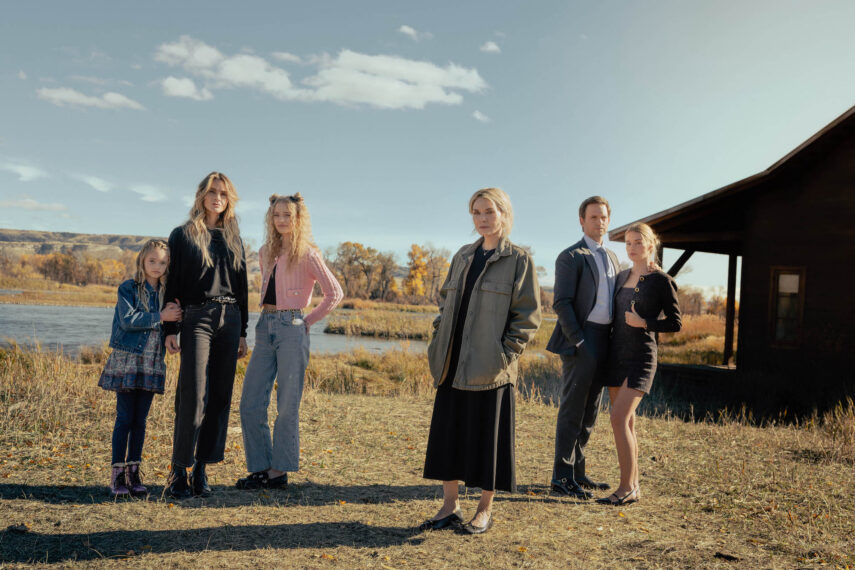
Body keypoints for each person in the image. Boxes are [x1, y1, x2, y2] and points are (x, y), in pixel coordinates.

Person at [422, 187, 541, 535]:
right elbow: (445, 303)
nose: (482, 219)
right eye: (476, 212)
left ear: (504, 214)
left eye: (489, 211)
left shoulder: (519, 260)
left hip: (491, 369)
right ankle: (450, 507)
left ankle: (484, 511)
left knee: (488, 441)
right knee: (449, 436)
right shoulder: (462, 256)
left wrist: (505, 354)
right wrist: (438, 336)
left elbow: (527, 317)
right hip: (452, 362)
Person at [236, 193, 343, 490]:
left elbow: (334, 293)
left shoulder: (307, 253)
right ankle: (260, 468)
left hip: (292, 328)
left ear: (298, 219)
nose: (281, 220)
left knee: (286, 404)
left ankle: (278, 470)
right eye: (276, 215)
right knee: (250, 402)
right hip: (264, 325)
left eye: (287, 215)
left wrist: (307, 321)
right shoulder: (265, 252)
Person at [163, 171, 249, 499]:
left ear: (229, 200)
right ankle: (178, 470)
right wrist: (170, 328)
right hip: (196, 317)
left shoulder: (233, 237)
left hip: (230, 319)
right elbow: (172, 283)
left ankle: (201, 469)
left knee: (220, 396)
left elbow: (242, 287)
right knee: (193, 393)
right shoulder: (182, 235)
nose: (217, 198)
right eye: (212, 192)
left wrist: (242, 332)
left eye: (223, 194)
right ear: (201, 195)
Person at [596, 222, 681, 505]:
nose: (632, 248)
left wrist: (644, 322)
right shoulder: (621, 276)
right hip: (616, 356)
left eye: (638, 242)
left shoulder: (662, 281)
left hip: (641, 357)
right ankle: (632, 486)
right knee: (627, 423)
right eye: (628, 243)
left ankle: (625, 488)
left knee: (618, 418)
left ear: (650, 245)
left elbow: (675, 323)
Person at [546, 196, 619, 499]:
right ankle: (561, 478)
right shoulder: (570, 256)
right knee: (573, 409)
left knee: (590, 411)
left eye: (603, 217)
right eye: (593, 217)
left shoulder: (613, 257)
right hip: (581, 338)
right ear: (582, 221)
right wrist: (578, 340)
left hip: (606, 339)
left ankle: (577, 472)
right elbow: (561, 303)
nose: (599, 222)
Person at [98, 239, 182, 497]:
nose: (157, 266)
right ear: (142, 261)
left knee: (140, 420)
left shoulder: (167, 292)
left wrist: (172, 329)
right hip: (128, 359)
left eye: (163, 262)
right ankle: (117, 476)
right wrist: (161, 317)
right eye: (152, 261)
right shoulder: (129, 288)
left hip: (152, 361)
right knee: (124, 418)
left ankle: (134, 474)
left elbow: (173, 320)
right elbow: (127, 320)